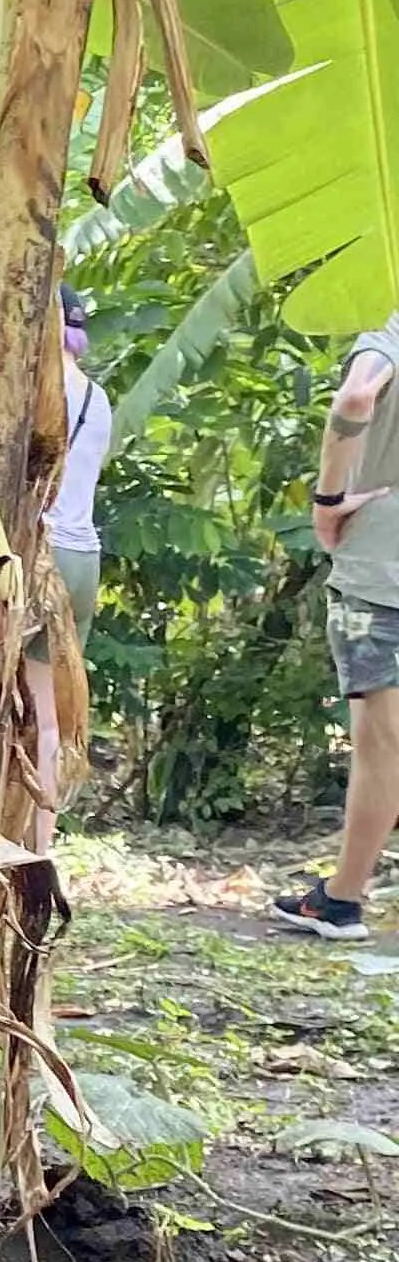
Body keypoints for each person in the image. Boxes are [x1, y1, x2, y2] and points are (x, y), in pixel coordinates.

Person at [275, 302, 399, 936]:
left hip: (383, 568)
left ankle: (343, 898)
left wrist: (328, 500)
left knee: (383, 744)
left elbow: (354, 400)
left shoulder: (389, 329)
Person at [23, 284, 111, 857]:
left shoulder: (37, 392)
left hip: (44, 558)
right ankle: (39, 840)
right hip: (85, 560)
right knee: (54, 713)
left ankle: (30, 845)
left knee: (27, 714)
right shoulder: (96, 398)